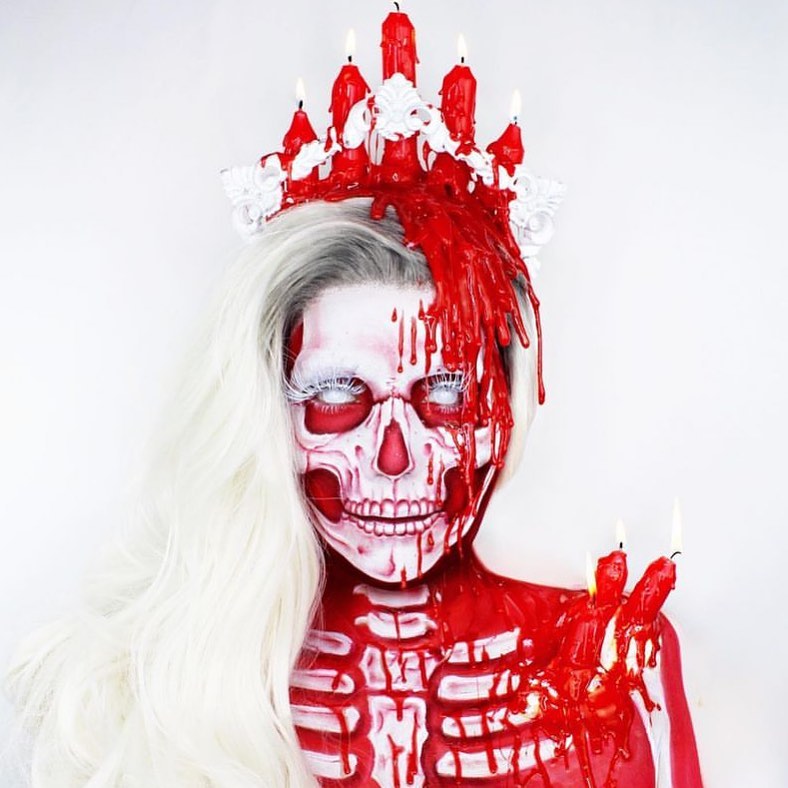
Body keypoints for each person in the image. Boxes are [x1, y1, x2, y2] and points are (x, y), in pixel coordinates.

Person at [5, 194, 702, 786]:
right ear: (265, 418)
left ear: (504, 418)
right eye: (338, 394)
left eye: (448, 393)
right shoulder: (154, 672)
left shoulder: (611, 658)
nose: (395, 459)